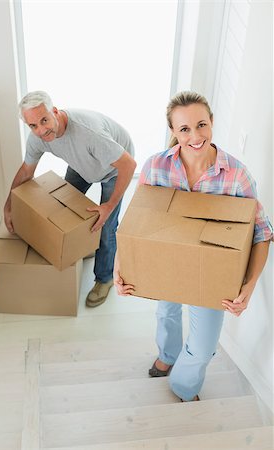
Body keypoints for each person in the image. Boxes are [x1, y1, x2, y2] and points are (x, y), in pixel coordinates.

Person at [114, 91, 272, 402]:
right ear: (173, 131)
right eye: (184, 129)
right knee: (166, 311)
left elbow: (262, 234)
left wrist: (249, 287)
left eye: (201, 125)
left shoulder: (236, 176)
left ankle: (184, 386)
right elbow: (134, 223)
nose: (195, 136)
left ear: (212, 122)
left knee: (202, 347)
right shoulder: (156, 167)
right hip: (164, 264)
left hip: (212, 273)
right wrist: (121, 267)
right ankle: (168, 354)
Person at [4, 91, 136, 307]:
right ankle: (83, 244)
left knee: (105, 225)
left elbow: (128, 164)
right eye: (33, 125)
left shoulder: (89, 133)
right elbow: (27, 170)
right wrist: (8, 206)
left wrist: (109, 206)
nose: (41, 130)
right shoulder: (38, 137)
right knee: (65, 208)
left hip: (113, 168)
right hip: (82, 163)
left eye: (44, 120)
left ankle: (104, 278)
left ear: (55, 112)